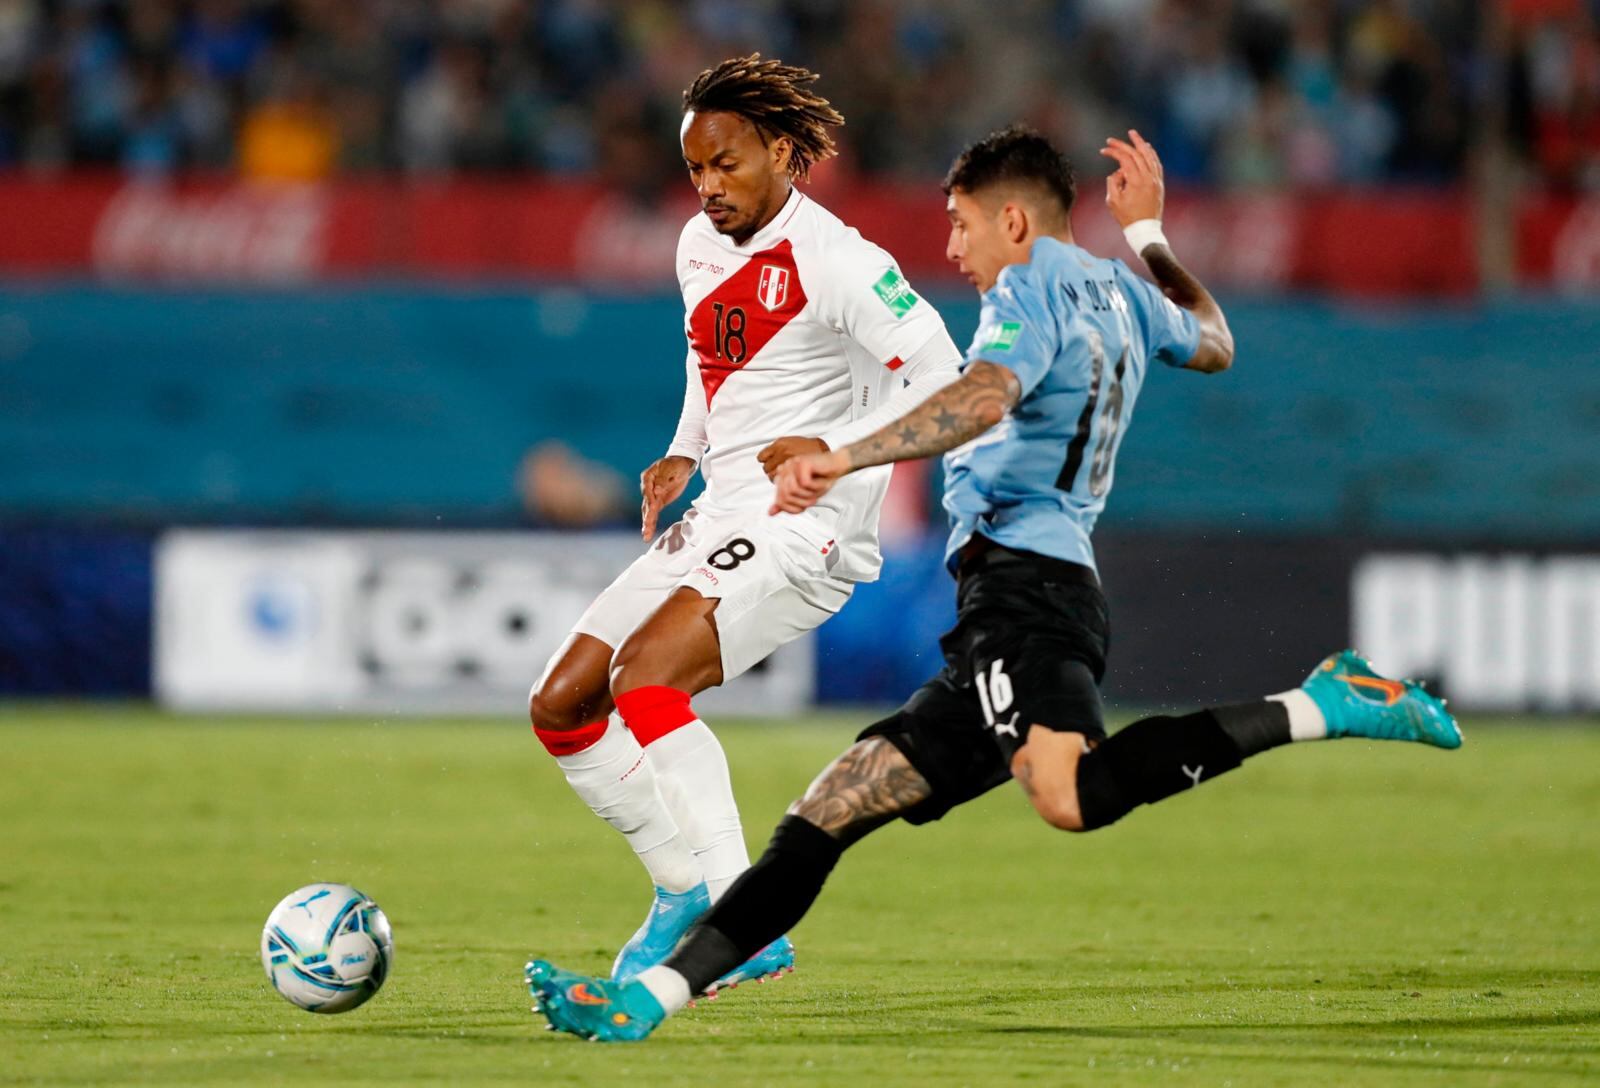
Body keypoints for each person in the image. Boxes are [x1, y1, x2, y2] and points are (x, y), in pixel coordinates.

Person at [523, 125, 1462, 1040]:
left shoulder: (1031, 288)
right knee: (833, 803)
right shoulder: (1124, 294)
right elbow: (1214, 339)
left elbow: (982, 397)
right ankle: (650, 1000)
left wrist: (841, 455)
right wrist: (1149, 239)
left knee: (1069, 795)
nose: (950, 246)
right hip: (1004, 608)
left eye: (961, 223)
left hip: (1030, 593)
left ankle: (1324, 703)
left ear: (1013, 223)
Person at [525, 54, 964, 986]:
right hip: (723, 506)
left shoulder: (840, 261)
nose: (709, 186)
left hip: (806, 529)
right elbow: (710, 361)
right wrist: (686, 446)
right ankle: (681, 888)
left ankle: (744, 916)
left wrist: (834, 445)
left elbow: (948, 382)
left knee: (647, 677)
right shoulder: (696, 245)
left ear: (781, 153)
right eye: (694, 169)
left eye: (727, 164)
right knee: (563, 706)